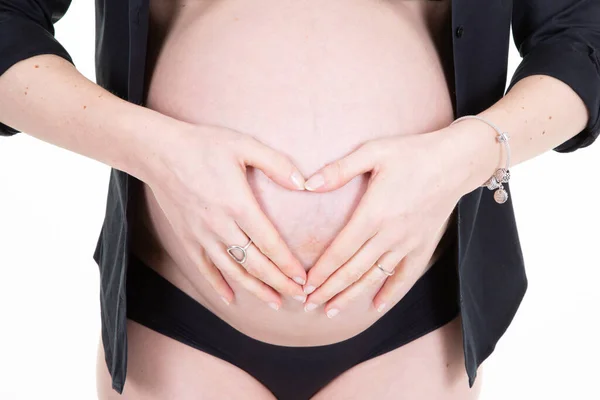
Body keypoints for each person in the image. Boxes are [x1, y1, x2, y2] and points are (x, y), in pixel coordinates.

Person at [0, 0, 598, 399]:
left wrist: (465, 155)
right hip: (177, 313)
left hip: (414, 318)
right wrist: (156, 150)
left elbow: (582, 34)